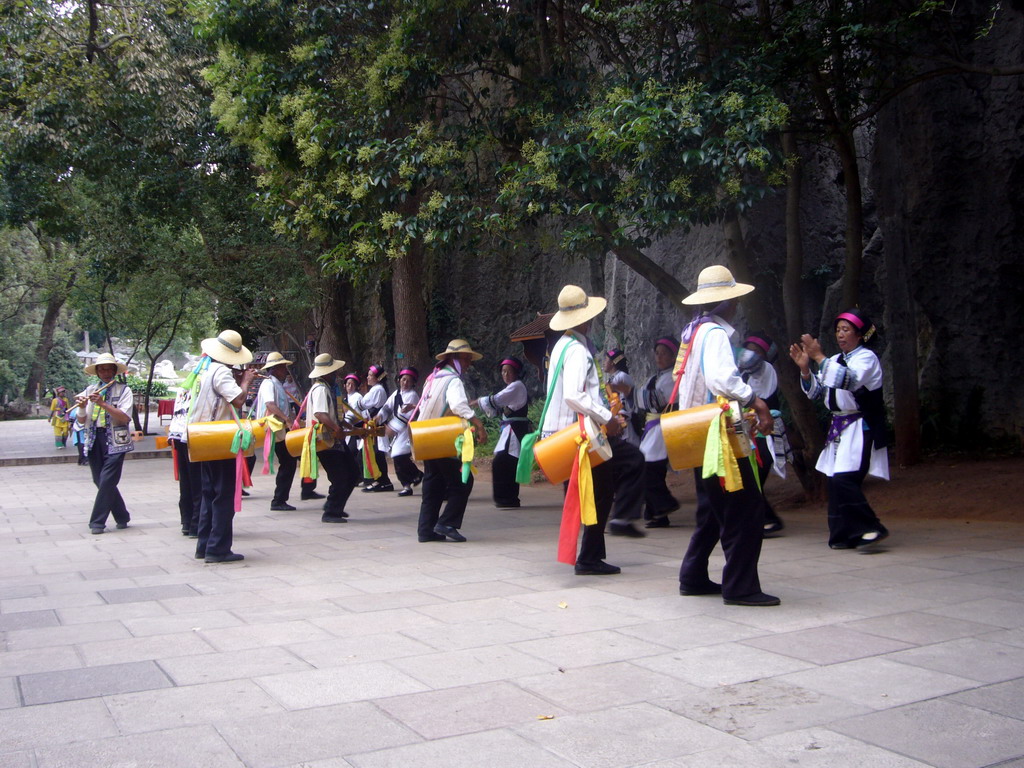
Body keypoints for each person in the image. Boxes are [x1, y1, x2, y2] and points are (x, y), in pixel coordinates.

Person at [675, 266, 778, 606]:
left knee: (711, 508)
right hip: (717, 436)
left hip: (695, 431)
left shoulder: (692, 332)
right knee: (745, 508)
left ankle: (692, 575)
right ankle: (741, 586)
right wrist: (755, 399)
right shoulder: (715, 334)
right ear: (729, 299)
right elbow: (722, 380)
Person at [542, 285, 645, 573]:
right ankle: (614, 527)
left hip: (566, 433)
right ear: (585, 318)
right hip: (582, 434)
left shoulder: (561, 345)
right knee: (630, 463)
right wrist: (606, 418)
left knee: (596, 490)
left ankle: (592, 554)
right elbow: (574, 395)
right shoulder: (577, 350)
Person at [790, 308, 889, 549]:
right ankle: (843, 534)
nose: (840, 335)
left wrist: (820, 358)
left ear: (860, 334)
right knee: (834, 481)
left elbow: (850, 380)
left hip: (859, 425)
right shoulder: (834, 361)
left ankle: (871, 526)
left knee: (845, 479)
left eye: (846, 330)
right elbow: (817, 393)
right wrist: (805, 369)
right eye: (838, 330)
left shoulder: (866, 358)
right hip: (839, 427)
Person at [187, 330, 256, 563]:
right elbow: (238, 400)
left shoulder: (207, 370)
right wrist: (246, 382)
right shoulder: (221, 371)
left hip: (204, 437)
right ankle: (218, 548)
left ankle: (204, 545)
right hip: (220, 439)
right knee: (223, 494)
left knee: (209, 493)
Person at [413, 339, 487, 542]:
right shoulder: (452, 380)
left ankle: (426, 530)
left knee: (433, 484)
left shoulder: (433, 378)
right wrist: (478, 424)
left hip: (425, 437)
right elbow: (458, 405)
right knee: (462, 481)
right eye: (466, 359)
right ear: (455, 359)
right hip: (442, 437)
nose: (468, 364)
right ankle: (447, 523)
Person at [75, 353, 134, 534]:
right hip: (94, 438)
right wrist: (82, 406)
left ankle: (97, 522)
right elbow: (80, 420)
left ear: (115, 371)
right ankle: (122, 515)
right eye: (102, 369)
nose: (106, 372)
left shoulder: (124, 391)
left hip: (117, 439)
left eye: (109, 369)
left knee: (108, 479)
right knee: (99, 480)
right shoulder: (89, 390)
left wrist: (102, 404)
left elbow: (124, 417)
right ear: (97, 372)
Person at [737, 333, 786, 536]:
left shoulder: (767, 369)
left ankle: (767, 519)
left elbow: (751, 362)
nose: (750, 355)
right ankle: (765, 519)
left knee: (753, 474)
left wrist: (727, 347)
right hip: (751, 429)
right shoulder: (744, 375)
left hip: (767, 430)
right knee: (750, 476)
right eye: (747, 349)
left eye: (756, 351)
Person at [635, 337, 682, 528]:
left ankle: (665, 505)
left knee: (646, 469)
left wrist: (631, 392)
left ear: (673, 357)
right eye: (657, 352)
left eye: (664, 353)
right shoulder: (656, 377)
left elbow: (655, 401)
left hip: (663, 427)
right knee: (653, 471)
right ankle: (657, 514)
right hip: (653, 428)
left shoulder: (674, 378)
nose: (659, 356)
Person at [308, 353, 359, 523]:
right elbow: (321, 413)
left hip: (334, 440)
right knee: (341, 477)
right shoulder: (321, 389)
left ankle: (335, 506)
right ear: (327, 373)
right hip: (326, 440)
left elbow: (330, 413)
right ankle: (331, 511)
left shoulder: (328, 388)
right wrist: (337, 428)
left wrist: (345, 424)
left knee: (352, 473)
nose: (336, 374)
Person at [474, 357, 530, 508]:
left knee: (504, 462)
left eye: (508, 371)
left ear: (516, 373)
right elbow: (499, 405)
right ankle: (507, 498)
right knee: (506, 462)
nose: (505, 374)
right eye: (503, 371)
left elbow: (497, 399)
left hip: (515, 430)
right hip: (510, 429)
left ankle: (508, 498)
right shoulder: (513, 387)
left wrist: (476, 402)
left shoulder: (517, 386)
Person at [255, 351, 300, 512]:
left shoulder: (275, 384)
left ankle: (280, 498)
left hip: (279, 429)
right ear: (276, 369)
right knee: (288, 462)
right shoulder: (269, 383)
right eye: (283, 368)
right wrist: (287, 420)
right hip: (275, 429)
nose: (286, 371)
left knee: (288, 462)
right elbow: (270, 405)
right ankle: (279, 500)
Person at [380, 367, 424, 497]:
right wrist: (379, 417)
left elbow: (407, 417)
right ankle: (407, 484)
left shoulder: (412, 395)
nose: (405, 383)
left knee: (398, 455)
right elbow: (386, 408)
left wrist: (391, 428)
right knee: (397, 456)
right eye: (403, 379)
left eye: (409, 381)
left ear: (413, 383)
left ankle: (415, 475)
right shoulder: (396, 394)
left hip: (408, 431)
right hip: (399, 431)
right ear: (399, 380)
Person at [167, 382, 202, 537]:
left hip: (179, 434)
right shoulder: (201, 384)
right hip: (193, 436)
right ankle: (195, 523)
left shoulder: (184, 386)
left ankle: (187, 522)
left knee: (187, 482)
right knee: (197, 482)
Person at [361, 364, 394, 492]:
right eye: (368, 375)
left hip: (375, 425)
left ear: (378, 378)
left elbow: (363, 405)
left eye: (371, 375)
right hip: (372, 424)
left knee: (377, 453)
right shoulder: (376, 389)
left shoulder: (377, 390)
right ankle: (378, 480)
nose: (368, 378)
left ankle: (384, 481)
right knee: (374, 453)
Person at [603, 350, 640, 446]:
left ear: (612, 363)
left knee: (632, 446)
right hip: (616, 421)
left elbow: (629, 399)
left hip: (625, 422)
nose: (604, 362)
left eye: (606, 360)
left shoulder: (623, 376)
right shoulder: (610, 379)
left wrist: (621, 420)